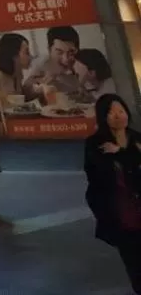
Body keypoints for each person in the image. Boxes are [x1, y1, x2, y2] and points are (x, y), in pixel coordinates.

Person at [84, 93, 141, 292]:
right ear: (102, 116)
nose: (118, 116)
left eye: (121, 110)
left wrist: (121, 153)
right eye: (111, 112)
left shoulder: (136, 138)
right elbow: (97, 174)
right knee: (134, 261)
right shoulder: (96, 144)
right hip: (120, 213)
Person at [26, 24, 84, 100]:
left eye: (71, 52)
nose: (65, 59)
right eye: (59, 52)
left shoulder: (82, 64)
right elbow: (26, 91)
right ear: (49, 50)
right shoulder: (41, 66)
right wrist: (38, 88)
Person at [0, 33, 37, 104]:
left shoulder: (16, 75)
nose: (31, 57)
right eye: (27, 52)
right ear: (13, 53)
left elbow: (21, 99)